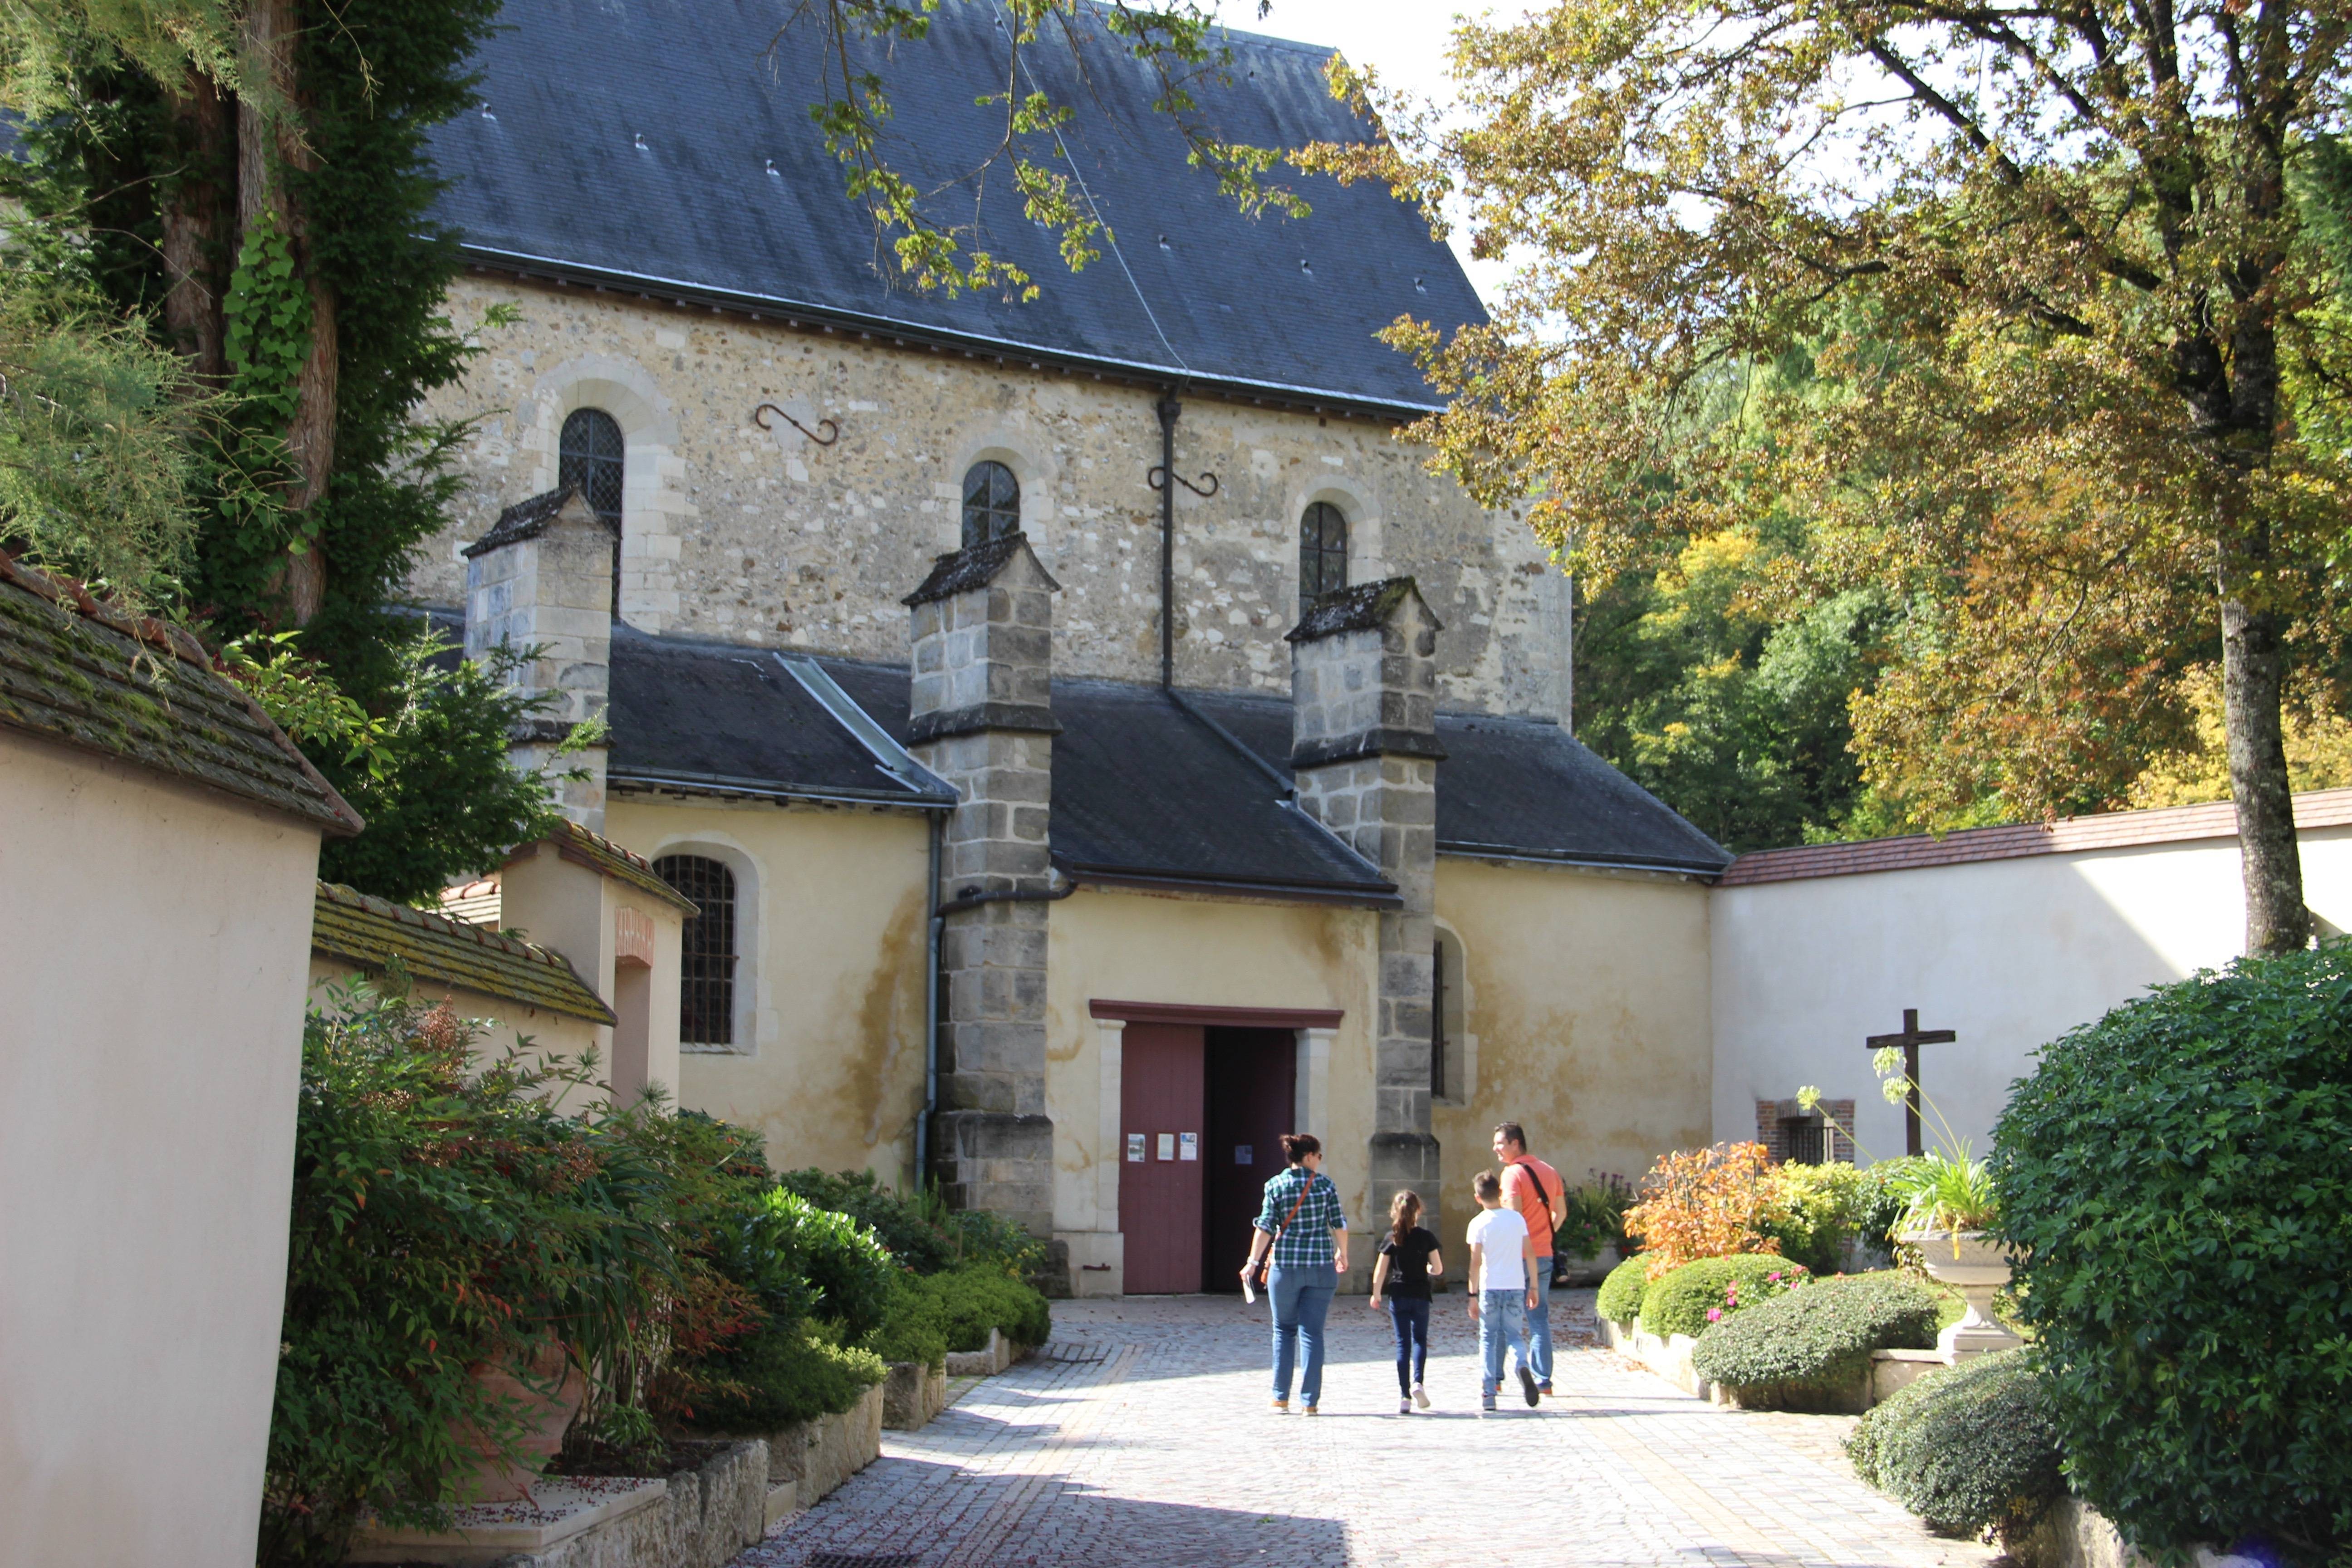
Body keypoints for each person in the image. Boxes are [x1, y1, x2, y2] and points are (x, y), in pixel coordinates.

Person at [1241, 1132, 1348, 1414]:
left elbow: (1264, 1226)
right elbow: (1339, 1223)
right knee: (1312, 1334)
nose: (1319, 1161)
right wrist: (1343, 1253)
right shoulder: (1325, 1186)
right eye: (1319, 1156)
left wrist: (1254, 1261)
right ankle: (1310, 1403)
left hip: (1285, 1269)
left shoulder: (1275, 1185)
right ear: (1310, 1156)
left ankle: (1280, 1398)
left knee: (1283, 1331)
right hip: (1320, 1268)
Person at [1494, 1121, 1567, 1397]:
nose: (1496, 1149)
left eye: (1500, 1143)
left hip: (1516, 1257)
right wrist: (1544, 1234)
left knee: (1503, 1319)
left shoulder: (1512, 1174)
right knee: (1539, 1319)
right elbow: (1560, 1213)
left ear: (1515, 1143)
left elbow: (1513, 1216)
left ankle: (1496, 1378)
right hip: (1544, 1254)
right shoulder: (1550, 1171)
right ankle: (1544, 1381)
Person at [1465, 1168, 1540, 1412]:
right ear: (1500, 1193)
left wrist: (1472, 1295)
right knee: (1515, 1336)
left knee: (1488, 1338)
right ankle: (1521, 1364)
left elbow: (1475, 1262)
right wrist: (1534, 1287)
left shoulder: (1478, 1223)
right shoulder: (1517, 1219)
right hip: (1516, 1285)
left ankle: (1489, 1393)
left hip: (1490, 1287)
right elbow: (1530, 1253)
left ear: (1478, 1198)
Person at [1367, 1189, 1443, 1414]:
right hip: (1420, 1294)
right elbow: (1438, 1268)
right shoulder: (1426, 1237)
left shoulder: (1392, 1238)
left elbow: (1380, 1270)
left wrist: (1376, 1294)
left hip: (1399, 1294)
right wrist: (1429, 1269)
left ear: (1394, 1212)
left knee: (1403, 1343)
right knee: (1420, 1339)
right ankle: (1418, 1381)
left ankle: (1404, 1396)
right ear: (1418, 1211)